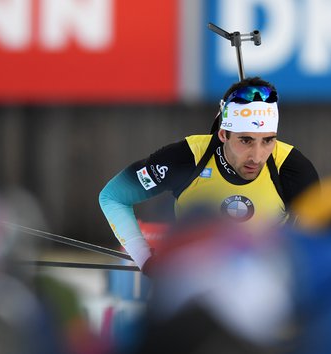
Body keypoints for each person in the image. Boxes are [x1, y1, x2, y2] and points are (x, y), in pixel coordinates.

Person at [99, 77, 319, 274]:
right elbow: (113, 196)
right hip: (196, 289)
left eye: (268, 140)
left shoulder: (292, 168)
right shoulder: (187, 157)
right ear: (223, 134)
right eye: (245, 140)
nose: (257, 156)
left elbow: (318, 242)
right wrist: (144, 257)